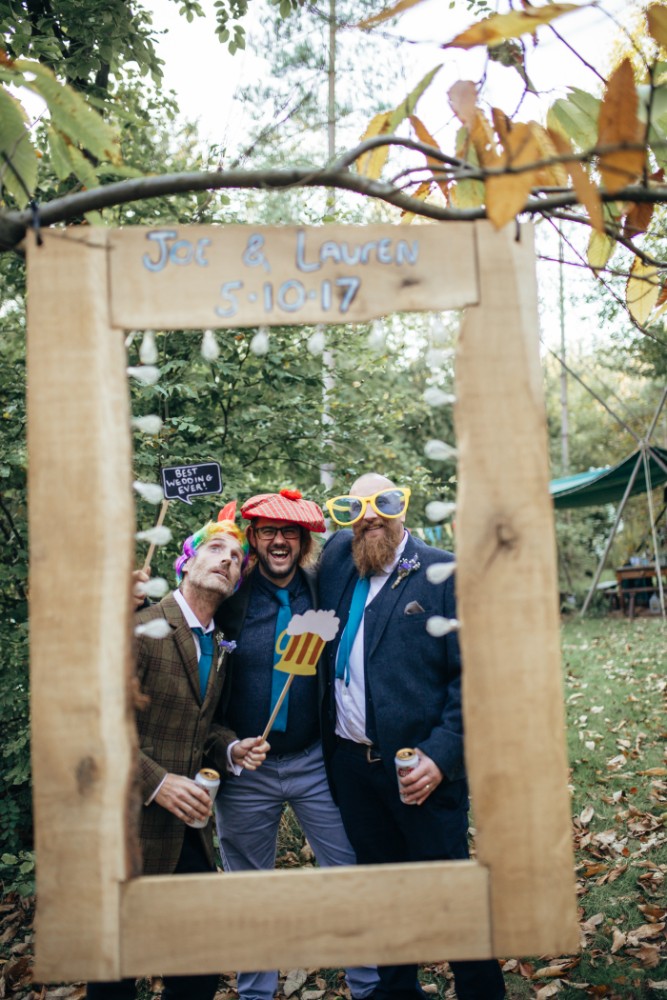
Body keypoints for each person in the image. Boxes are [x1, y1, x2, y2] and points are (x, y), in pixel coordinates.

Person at [318, 473, 506, 1000]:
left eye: (384, 502)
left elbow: (476, 677)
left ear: (403, 505)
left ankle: (482, 992)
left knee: (452, 898)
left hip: (421, 771)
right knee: (382, 895)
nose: (370, 515)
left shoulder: (443, 573)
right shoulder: (338, 559)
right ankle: (397, 991)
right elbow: (281, 556)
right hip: (354, 769)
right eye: (356, 507)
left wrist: (443, 757)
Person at [87, 514, 269, 1000]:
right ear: (186, 562)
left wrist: (231, 748)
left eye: (236, 559)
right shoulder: (141, 627)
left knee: (197, 969)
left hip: (190, 832)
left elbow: (202, 725)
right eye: (214, 550)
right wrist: (157, 783)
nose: (227, 560)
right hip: (129, 824)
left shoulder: (220, 646)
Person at [214, 488, 379, 1000]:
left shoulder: (323, 585)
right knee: (249, 890)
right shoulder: (228, 598)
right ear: (254, 539)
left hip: (314, 762)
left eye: (289, 532)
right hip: (246, 772)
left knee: (348, 871)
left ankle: (370, 984)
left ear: (304, 541)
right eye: (268, 532)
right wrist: (227, 748)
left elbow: (377, 553)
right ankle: (256, 992)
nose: (279, 540)